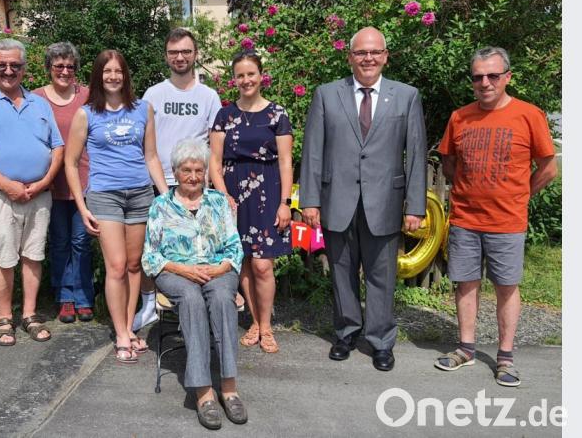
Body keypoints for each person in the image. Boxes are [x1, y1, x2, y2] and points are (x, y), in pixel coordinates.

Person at [298, 27, 426, 371]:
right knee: (341, 273)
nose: (367, 58)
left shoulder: (406, 96)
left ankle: (381, 340)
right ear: (350, 57)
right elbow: (313, 151)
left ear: (385, 56)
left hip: (384, 202)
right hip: (337, 200)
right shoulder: (326, 95)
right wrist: (309, 201)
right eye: (360, 53)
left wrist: (415, 206)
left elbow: (415, 153)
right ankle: (346, 332)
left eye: (374, 52)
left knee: (381, 275)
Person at [434, 47, 557, 387]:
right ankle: (466, 348)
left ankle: (505, 358)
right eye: (478, 76)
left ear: (507, 77)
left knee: (506, 287)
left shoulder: (529, 115)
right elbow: (449, 161)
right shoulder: (460, 117)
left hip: (507, 222)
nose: (485, 82)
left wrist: (519, 196)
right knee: (465, 284)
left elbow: (548, 168)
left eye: (492, 75)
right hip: (465, 219)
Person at [65, 49, 168, 363]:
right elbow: (70, 164)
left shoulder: (143, 110)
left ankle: (130, 325)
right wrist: (82, 208)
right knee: (117, 265)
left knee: (135, 265)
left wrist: (165, 197)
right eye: (107, 71)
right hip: (105, 195)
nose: (113, 76)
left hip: (140, 194)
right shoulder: (86, 114)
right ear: (99, 76)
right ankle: (121, 333)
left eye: (118, 71)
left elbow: (151, 156)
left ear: (125, 75)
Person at [0, 38, 64, 346]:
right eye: (1, 65)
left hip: (38, 194)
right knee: (4, 257)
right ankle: (5, 317)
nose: (8, 71)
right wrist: (7, 185)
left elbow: (57, 147)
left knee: (33, 255)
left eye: (15, 65)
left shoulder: (39, 103)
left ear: (24, 68)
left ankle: (29, 314)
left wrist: (44, 182)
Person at [142, 138, 247, 430]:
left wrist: (218, 269)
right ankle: (203, 393)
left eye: (199, 170)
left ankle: (229, 387)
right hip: (175, 271)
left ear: (205, 173)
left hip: (217, 268)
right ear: (175, 172)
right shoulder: (160, 206)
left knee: (224, 296)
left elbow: (234, 247)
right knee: (190, 299)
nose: (193, 176)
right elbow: (151, 256)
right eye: (186, 170)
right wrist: (185, 270)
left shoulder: (217, 202)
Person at [136, 28, 223, 331]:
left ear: (195, 54)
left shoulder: (209, 96)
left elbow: (214, 147)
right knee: (153, 246)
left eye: (186, 51)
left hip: (197, 188)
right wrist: (164, 192)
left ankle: (200, 307)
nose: (180, 57)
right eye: (174, 52)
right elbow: (147, 145)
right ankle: (149, 304)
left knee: (198, 247)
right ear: (166, 56)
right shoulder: (153, 95)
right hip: (160, 184)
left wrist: (210, 188)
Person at [209, 50, 293, 354]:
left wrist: (285, 202)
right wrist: (223, 196)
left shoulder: (277, 114)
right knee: (242, 259)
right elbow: (214, 163)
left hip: (267, 193)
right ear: (235, 79)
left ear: (261, 76)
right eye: (240, 75)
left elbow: (285, 162)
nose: (246, 80)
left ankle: (267, 325)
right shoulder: (224, 115)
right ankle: (256, 323)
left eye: (251, 74)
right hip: (233, 195)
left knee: (262, 265)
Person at [32, 42, 94, 324]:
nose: (65, 71)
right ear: (49, 68)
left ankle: (83, 297)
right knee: (58, 242)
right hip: (51, 181)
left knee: (82, 241)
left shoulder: (89, 96)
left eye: (70, 66)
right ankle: (65, 297)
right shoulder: (35, 99)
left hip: (85, 181)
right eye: (59, 66)